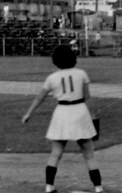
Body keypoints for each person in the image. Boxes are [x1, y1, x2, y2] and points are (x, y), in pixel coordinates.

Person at [22, 44, 105, 193]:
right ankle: (98, 188)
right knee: (89, 155)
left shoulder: (52, 77)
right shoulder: (81, 74)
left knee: (56, 153)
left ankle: (49, 187)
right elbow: (87, 97)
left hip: (62, 113)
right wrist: (93, 117)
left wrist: (28, 113)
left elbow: (39, 98)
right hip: (80, 112)